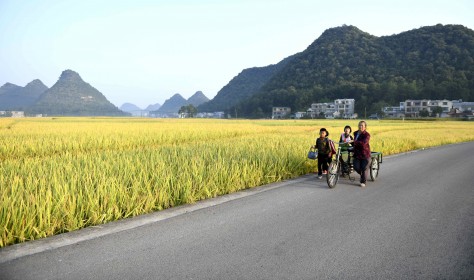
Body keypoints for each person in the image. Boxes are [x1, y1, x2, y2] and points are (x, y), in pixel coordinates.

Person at [353, 121, 371, 187]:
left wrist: (354, 142)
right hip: (357, 154)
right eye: (360, 125)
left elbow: (364, 143)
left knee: (364, 168)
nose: (361, 127)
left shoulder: (367, 135)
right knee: (356, 167)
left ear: (365, 127)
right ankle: (363, 175)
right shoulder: (355, 133)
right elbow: (354, 142)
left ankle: (363, 181)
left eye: (362, 125)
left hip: (365, 154)